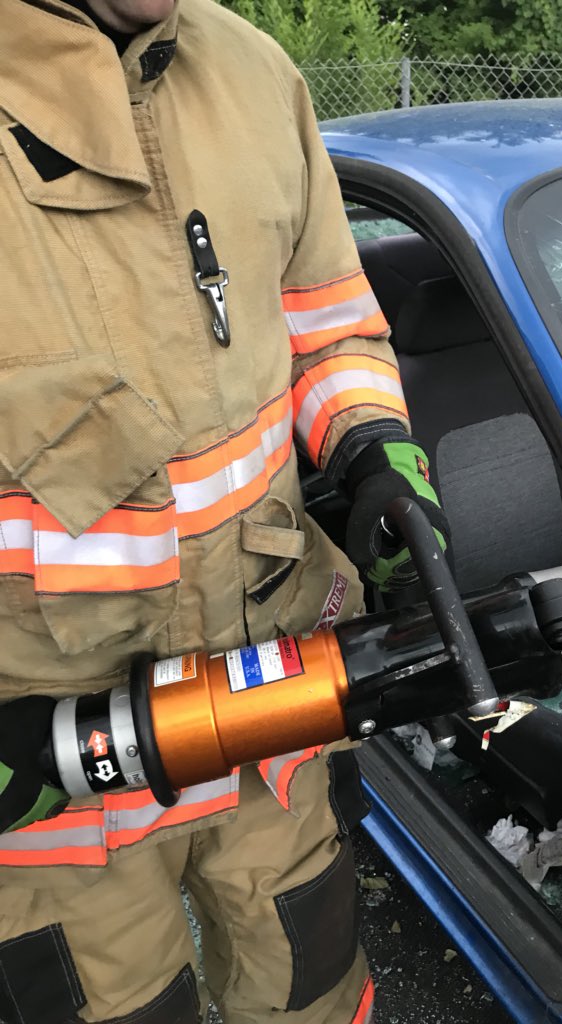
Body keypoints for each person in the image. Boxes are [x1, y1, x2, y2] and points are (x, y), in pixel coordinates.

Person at [0, 1, 449, 1021]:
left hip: (271, 721)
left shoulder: (253, 72)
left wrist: (376, 453)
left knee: (315, 990)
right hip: (55, 787)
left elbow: (332, 324)